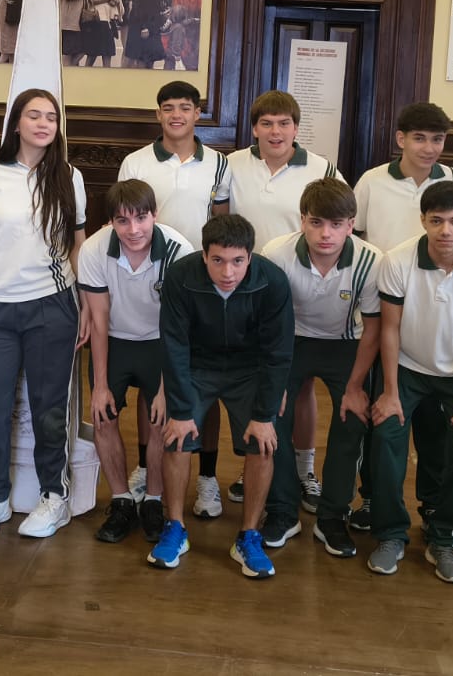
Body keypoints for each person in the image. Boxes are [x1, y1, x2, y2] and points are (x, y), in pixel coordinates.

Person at [367, 181, 453, 583]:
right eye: (437, 220)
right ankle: (390, 534)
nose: (446, 230)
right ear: (423, 220)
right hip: (406, 367)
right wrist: (389, 392)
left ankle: (445, 538)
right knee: (386, 434)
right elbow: (389, 328)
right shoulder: (397, 260)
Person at [0, 89, 88, 538]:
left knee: (48, 410)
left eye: (51, 117)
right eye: (33, 115)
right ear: (16, 123)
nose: (43, 123)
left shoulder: (68, 176)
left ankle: (53, 497)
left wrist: (84, 303)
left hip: (51, 306)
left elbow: (77, 243)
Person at [350, 101, 453, 530]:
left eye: (437, 139)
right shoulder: (372, 181)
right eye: (419, 138)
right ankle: (372, 498)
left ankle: (431, 501)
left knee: (433, 424)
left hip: (437, 318)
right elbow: (357, 237)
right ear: (401, 139)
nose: (428, 147)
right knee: (380, 415)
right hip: (383, 312)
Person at [152, 215, 293, 578]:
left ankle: (248, 536)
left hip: (249, 368)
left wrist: (264, 414)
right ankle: (174, 528)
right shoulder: (180, 276)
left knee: (263, 442)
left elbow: (278, 352)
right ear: (204, 256)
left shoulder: (273, 281)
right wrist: (180, 410)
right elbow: (174, 345)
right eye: (217, 260)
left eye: (237, 261)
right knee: (176, 436)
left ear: (250, 256)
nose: (227, 272)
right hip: (198, 365)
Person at [117, 81, 232, 516]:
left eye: (185, 107)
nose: (177, 115)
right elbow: (124, 219)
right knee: (154, 379)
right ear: (158, 114)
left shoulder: (219, 164)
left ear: (198, 113)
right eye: (168, 108)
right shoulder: (135, 162)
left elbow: (221, 225)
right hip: (148, 281)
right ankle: (147, 467)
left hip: (200, 285)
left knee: (204, 381)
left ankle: (207, 477)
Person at [225, 89, 343, 506]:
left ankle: (304, 469)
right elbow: (221, 222)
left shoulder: (321, 167)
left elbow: (337, 223)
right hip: (247, 290)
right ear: (254, 128)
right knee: (255, 382)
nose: (275, 132)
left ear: (296, 128)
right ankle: (253, 466)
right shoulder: (232, 165)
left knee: (301, 385)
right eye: (267, 123)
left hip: (302, 290)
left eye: (284, 123)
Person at [257, 179, 382, 559]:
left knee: (352, 419)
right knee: (272, 415)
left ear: (351, 225)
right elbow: (266, 320)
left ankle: (332, 516)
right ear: (302, 221)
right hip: (290, 340)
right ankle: (282, 511)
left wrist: (356, 387)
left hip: (346, 344)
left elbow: (373, 328)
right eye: (316, 223)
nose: (325, 234)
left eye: (336, 224)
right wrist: (273, 380)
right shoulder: (276, 253)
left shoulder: (371, 260)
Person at [79, 180, 193, 544]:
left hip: (161, 342)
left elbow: (179, 326)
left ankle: (153, 501)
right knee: (102, 415)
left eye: (141, 218)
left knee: (160, 419)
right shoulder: (94, 249)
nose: (133, 230)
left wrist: (164, 389)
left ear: (155, 215)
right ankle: (122, 500)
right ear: (111, 222)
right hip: (115, 339)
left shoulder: (179, 250)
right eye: (122, 221)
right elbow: (99, 319)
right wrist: (99, 386)